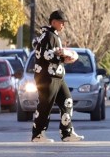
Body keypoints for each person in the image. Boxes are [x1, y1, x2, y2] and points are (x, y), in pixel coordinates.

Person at [30, 9, 84, 143]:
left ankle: (67, 133)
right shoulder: (48, 36)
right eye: (61, 22)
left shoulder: (54, 36)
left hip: (57, 77)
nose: (63, 25)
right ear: (53, 22)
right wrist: (63, 57)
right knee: (45, 105)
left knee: (67, 101)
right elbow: (46, 55)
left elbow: (52, 54)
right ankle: (38, 134)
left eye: (64, 23)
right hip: (47, 77)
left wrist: (65, 56)